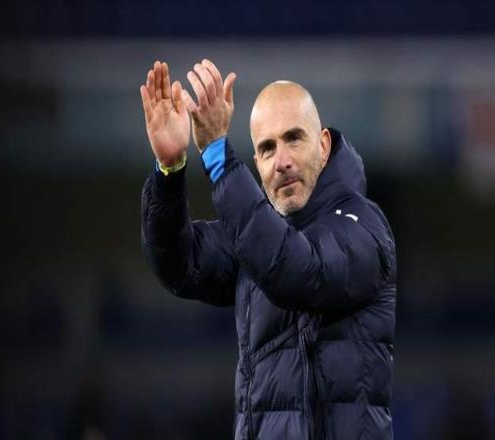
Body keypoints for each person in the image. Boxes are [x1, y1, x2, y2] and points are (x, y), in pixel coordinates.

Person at [140, 59, 397, 440]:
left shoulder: (362, 225)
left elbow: (299, 272)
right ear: (257, 165)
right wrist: (170, 170)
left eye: (294, 138)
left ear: (323, 146)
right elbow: (179, 262)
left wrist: (218, 158)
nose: (282, 162)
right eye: (267, 148)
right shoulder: (256, 236)